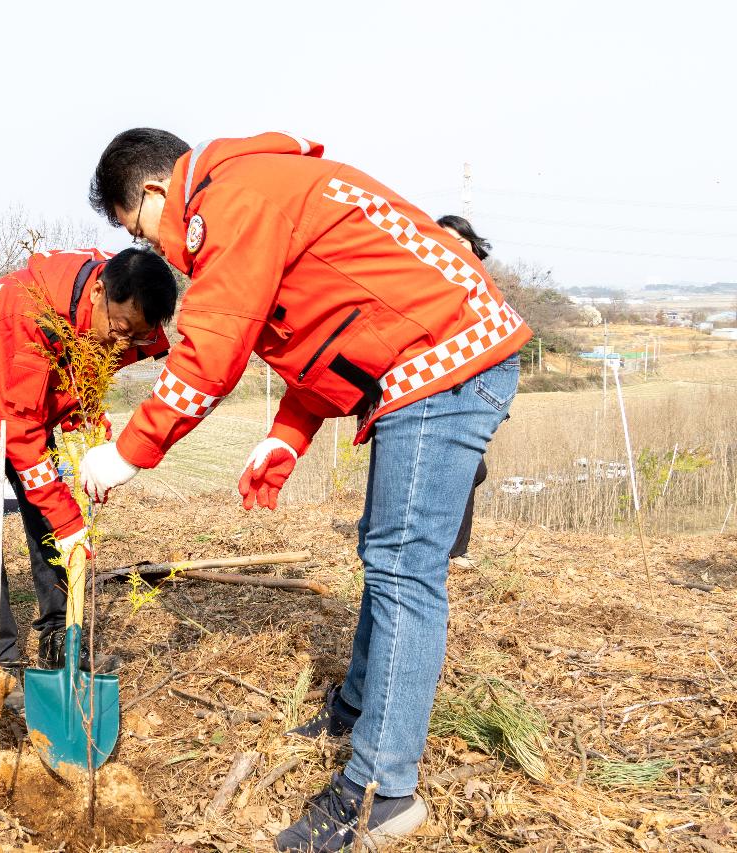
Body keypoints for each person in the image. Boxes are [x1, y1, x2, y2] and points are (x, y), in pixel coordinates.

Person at [82, 129, 530, 852]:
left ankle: (381, 792)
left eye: (140, 228)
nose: (157, 248)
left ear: (158, 192)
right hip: (429, 355)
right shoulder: (258, 187)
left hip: (445, 359)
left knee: (404, 566)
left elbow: (214, 345)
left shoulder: (234, 199)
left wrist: (132, 448)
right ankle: (359, 703)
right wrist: (289, 433)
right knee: (384, 552)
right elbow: (335, 321)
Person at [0, 247, 175, 673]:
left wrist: (86, 423)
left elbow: (87, 369)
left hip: (27, 402)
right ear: (98, 292)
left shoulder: (121, 299)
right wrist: (68, 520)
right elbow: (21, 434)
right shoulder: (28, 313)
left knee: (47, 523)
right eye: (120, 330)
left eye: (136, 336)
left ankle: (60, 636)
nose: (124, 342)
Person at [437, 215, 494, 562]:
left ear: (473, 246)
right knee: (465, 467)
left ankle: (455, 548)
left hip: (477, 387)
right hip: (435, 386)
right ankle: (449, 548)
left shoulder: (485, 288)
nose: (453, 249)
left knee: (472, 468)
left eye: (460, 242)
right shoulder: (428, 283)